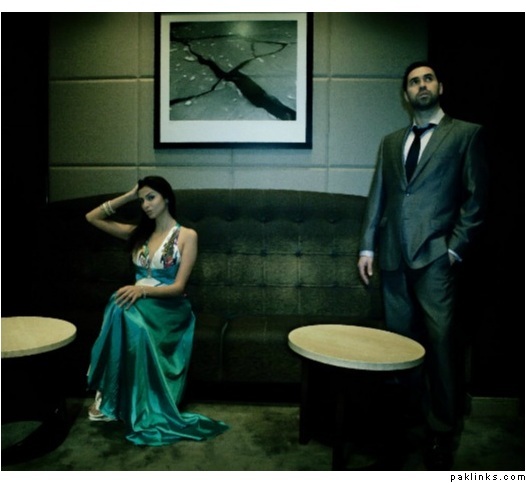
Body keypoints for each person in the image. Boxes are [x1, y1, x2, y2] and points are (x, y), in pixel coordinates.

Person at [357, 61, 487, 469]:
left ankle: (442, 431)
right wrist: (367, 248)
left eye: (428, 79)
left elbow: (476, 199)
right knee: (400, 345)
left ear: (440, 87)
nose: (421, 85)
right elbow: (378, 196)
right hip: (393, 258)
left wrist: (454, 248)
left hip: (435, 258)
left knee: (441, 344)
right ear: (406, 94)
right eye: (414, 82)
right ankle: (407, 422)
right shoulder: (390, 142)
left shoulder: (465, 134)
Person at [85, 175, 228, 446]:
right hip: (136, 304)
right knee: (120, 305)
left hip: (169, 307)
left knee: (125, 310)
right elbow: (92, 217)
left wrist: (142, 291)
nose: (146, 205)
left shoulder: (187, 236)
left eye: (151, 197)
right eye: (142, 201)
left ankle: (112, 398)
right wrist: (129, 196)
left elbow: (178, 287)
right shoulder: (138, 234)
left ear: (167, 198)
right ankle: (113, 396)